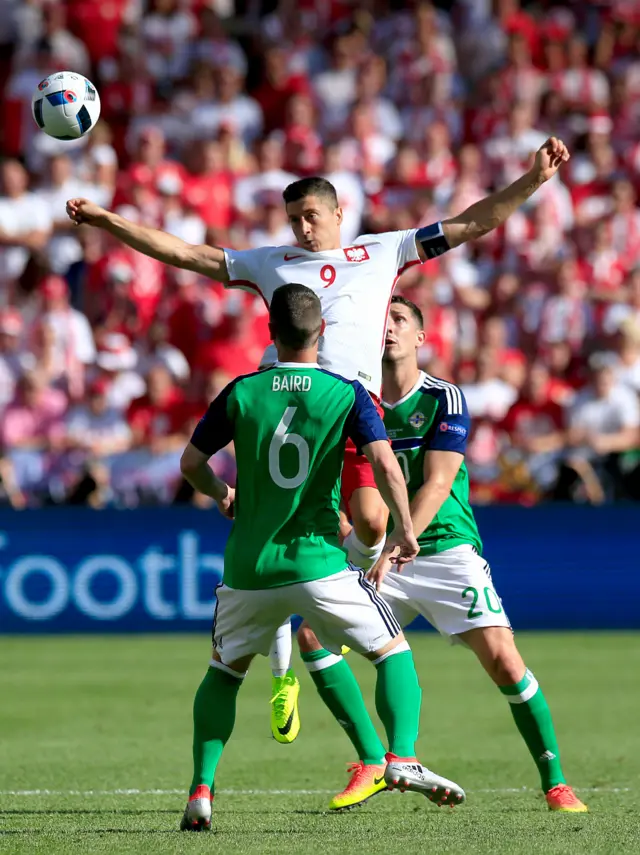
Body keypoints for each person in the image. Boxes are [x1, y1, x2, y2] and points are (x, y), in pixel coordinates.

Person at [66, 135, 571, 739]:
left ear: (339, 215)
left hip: (350, 414)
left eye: (312, 216)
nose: (303, 228)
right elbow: (184, 253)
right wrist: (106, 220)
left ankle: (312, 636)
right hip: (291, 414)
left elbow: (470, 223)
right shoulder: (267, 262)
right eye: (294, 219)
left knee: (372, 524)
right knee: (287, 542)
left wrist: (532, 181)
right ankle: (286, 665)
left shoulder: (383, 252)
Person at [177, 284, 465, 831]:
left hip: (249, 569)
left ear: (270, 335)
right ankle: (399, 755)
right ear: (323, 334)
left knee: (223, 673)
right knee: (392, 650)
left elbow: (191, 462)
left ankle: (201, 790)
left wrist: (222, 495)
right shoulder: (347, 391)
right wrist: (405, 529)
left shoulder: (241, 391)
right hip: (317, 565)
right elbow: (382, 464)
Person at [294, 296, 588, 815]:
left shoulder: (443, 397)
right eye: (382, 319)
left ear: (421, 338)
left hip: (445, 548)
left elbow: (437, 484)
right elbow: (337, 480)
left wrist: (396, 543)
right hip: (384, 551)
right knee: (314, 636)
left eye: (400, 320)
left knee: (503, 661)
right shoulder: (352, 400)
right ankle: (375, 760)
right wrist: (350, 529)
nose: (388, 327)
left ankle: (556, 782)